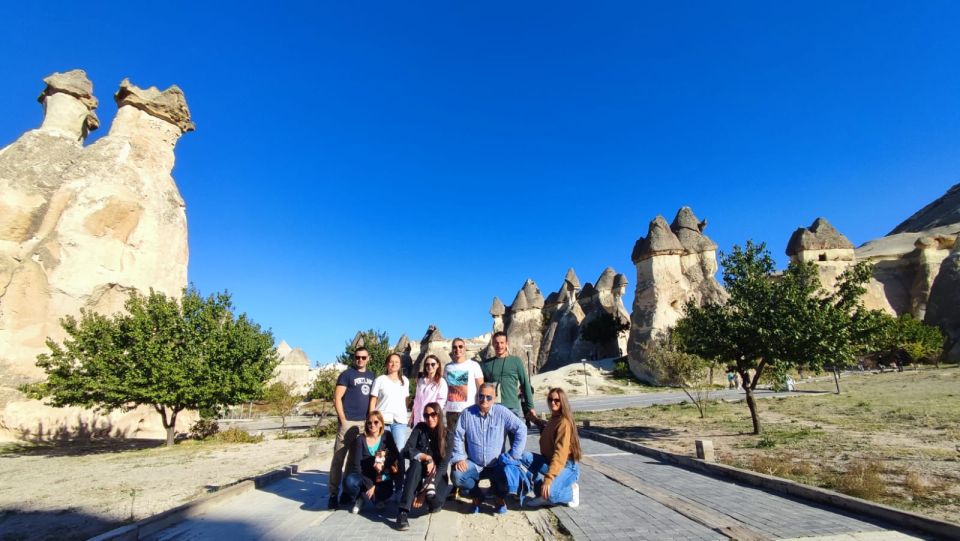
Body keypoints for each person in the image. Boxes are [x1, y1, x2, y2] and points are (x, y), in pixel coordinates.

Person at [450, 383, 527, 514]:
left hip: (497, 464)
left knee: (509, 474)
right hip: (475, 464)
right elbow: (457, 435)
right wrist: (459, 457)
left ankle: (499, 498)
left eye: (488, 397)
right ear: (477, 396)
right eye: (481, 396)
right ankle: (477, 496)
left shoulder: (501, 412)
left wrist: (514, 454)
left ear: (495, 398)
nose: (484, 400)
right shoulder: (467, 414)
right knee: (457, 475)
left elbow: (521, 428)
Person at [328, 347, 375, 509]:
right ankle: (333, 493)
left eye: (363, 357)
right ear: (354, 358)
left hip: (365, 423)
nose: (360, 360)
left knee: (354, 461)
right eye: (357, 357)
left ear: (369, 358)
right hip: (348, 421)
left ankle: (346, 492)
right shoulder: (347, 374)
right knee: (339, 457)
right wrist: (342, 419)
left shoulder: (371, 376)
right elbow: (337, 397)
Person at [396, 402, 451, 530]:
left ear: (439, 414)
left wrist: (423, 492)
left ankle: (429, 497)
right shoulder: (420, 428)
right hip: (418, 473)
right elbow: (406, 450)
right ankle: (403, 512)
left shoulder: (447, 435)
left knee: (433, 501)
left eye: (433, 414)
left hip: (436, 478)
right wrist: (426, 457)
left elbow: (443, 467)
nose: (430, 418)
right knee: (415, 464)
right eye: (426, 415)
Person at [524, 388, 581, 508]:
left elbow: (560, 453)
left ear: (562, 402)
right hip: (551, 462)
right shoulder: (554, 418)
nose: (552, 403)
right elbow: (547, 431)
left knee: (552, 495)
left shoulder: (564, 422)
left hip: (567, 466)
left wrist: (549, 479)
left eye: (556, 400)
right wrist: (534, 419)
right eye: (550, 399)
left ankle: (572, 491)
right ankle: (542, 494)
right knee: (525, 457)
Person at [343, 410, 400, 514]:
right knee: (349, 482)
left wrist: (383, 465)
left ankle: (374, 497)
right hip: (364, 476)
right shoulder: (360, 440)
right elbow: (357, 466)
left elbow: (394, 454)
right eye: (369, 422)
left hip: (381, 476)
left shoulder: (387, 435)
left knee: (387, 491)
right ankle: (361, 498)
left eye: (376, 422)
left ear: (381, 423)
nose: (372, 425)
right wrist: (370, 486)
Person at [482, 331, 537, 429]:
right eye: (496, 343)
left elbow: (525, 384)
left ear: (507, 343)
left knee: (515, 442)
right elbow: (482, 388)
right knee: (497, 443)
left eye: (502, 343)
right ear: (493, 344)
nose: (499, 345)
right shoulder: (486, 364)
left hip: (512, 408)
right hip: (494, 408)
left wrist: (530, 407)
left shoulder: (516, 361)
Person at [443, 337, 484, 449]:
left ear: (465, 348)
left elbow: (481, 387)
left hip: (469, 411)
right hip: (451, 413)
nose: (458, 349)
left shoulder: (474, 365)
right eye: (455, 347)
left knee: (471, 445)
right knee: (453, 447)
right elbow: (445, 388)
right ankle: (455, 467)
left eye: (460, 346)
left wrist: (481, 407)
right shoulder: (447, 367)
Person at [369, 353, 411, 452]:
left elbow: (406, 400)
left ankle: (399, 468)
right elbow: (373, 400)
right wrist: (371, 419)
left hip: (399, 422)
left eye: (397, 362)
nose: (394, 364)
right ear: (387, 364)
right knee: (381, 451)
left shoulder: (405, 381)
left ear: (400, 365)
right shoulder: (380, 380)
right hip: (382, 421)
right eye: (391, 362)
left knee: (399, 451)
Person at [410, 355, 447, 426]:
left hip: (431, 419)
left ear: (438, 365)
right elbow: (416, 400)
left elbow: (440, 403)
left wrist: (433, 416)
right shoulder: (421, 381)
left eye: (433, 364)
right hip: (418, 419)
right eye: (427, 364)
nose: (430, 366)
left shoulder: (441, 382)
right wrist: (412, 417)